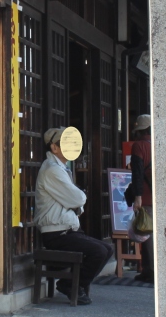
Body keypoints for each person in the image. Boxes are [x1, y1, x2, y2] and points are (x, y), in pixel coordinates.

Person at [37, 126, 112, 304]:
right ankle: (70, 285)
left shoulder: (59, 168)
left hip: (66, 231)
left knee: (107, 249)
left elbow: (75, 202)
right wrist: (79, 199)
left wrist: (76, 201)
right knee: (99, 251)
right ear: (54, 147)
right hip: (57, 233)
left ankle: (73, 284)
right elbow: (78, 199)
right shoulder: (52, 170)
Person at [128, 115, 154, 283]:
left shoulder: (139, 146)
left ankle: (150, 271)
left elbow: (137, 173)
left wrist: (137, 198)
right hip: (160, 196)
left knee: (146, 233)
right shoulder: (159, 144)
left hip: (145, 195)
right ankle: (151, 270)